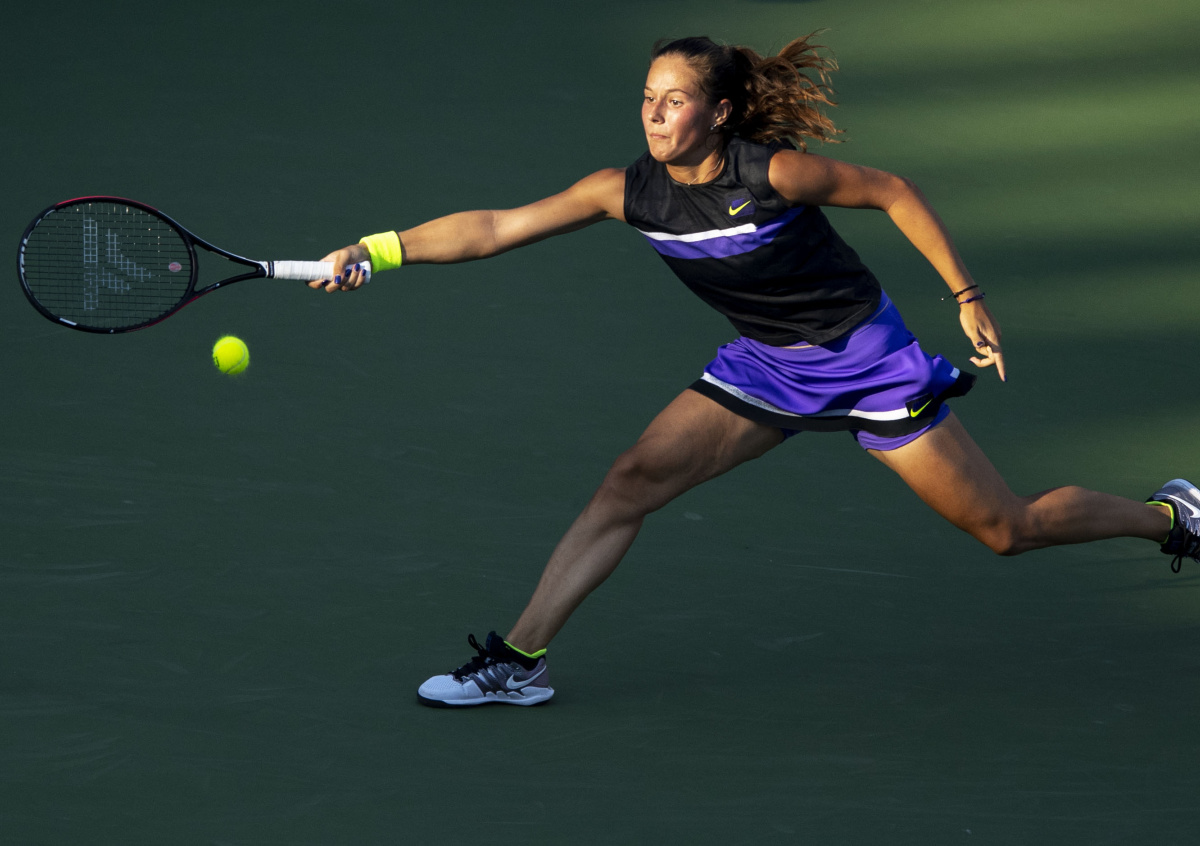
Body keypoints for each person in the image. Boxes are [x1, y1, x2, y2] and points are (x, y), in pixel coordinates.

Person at [312, 34, 1200, 708]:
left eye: (674, 101)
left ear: (720, 112)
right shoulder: (627, 191)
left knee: (1007, 528)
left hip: (868, 364)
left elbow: (892, 190)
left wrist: (965, 294)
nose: (654, 115)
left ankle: (1171, 518)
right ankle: (519, 660)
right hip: (766, 366)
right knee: (629, 481)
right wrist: (377, 249)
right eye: (647, 98)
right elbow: (496, 227)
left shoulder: (773, 174)